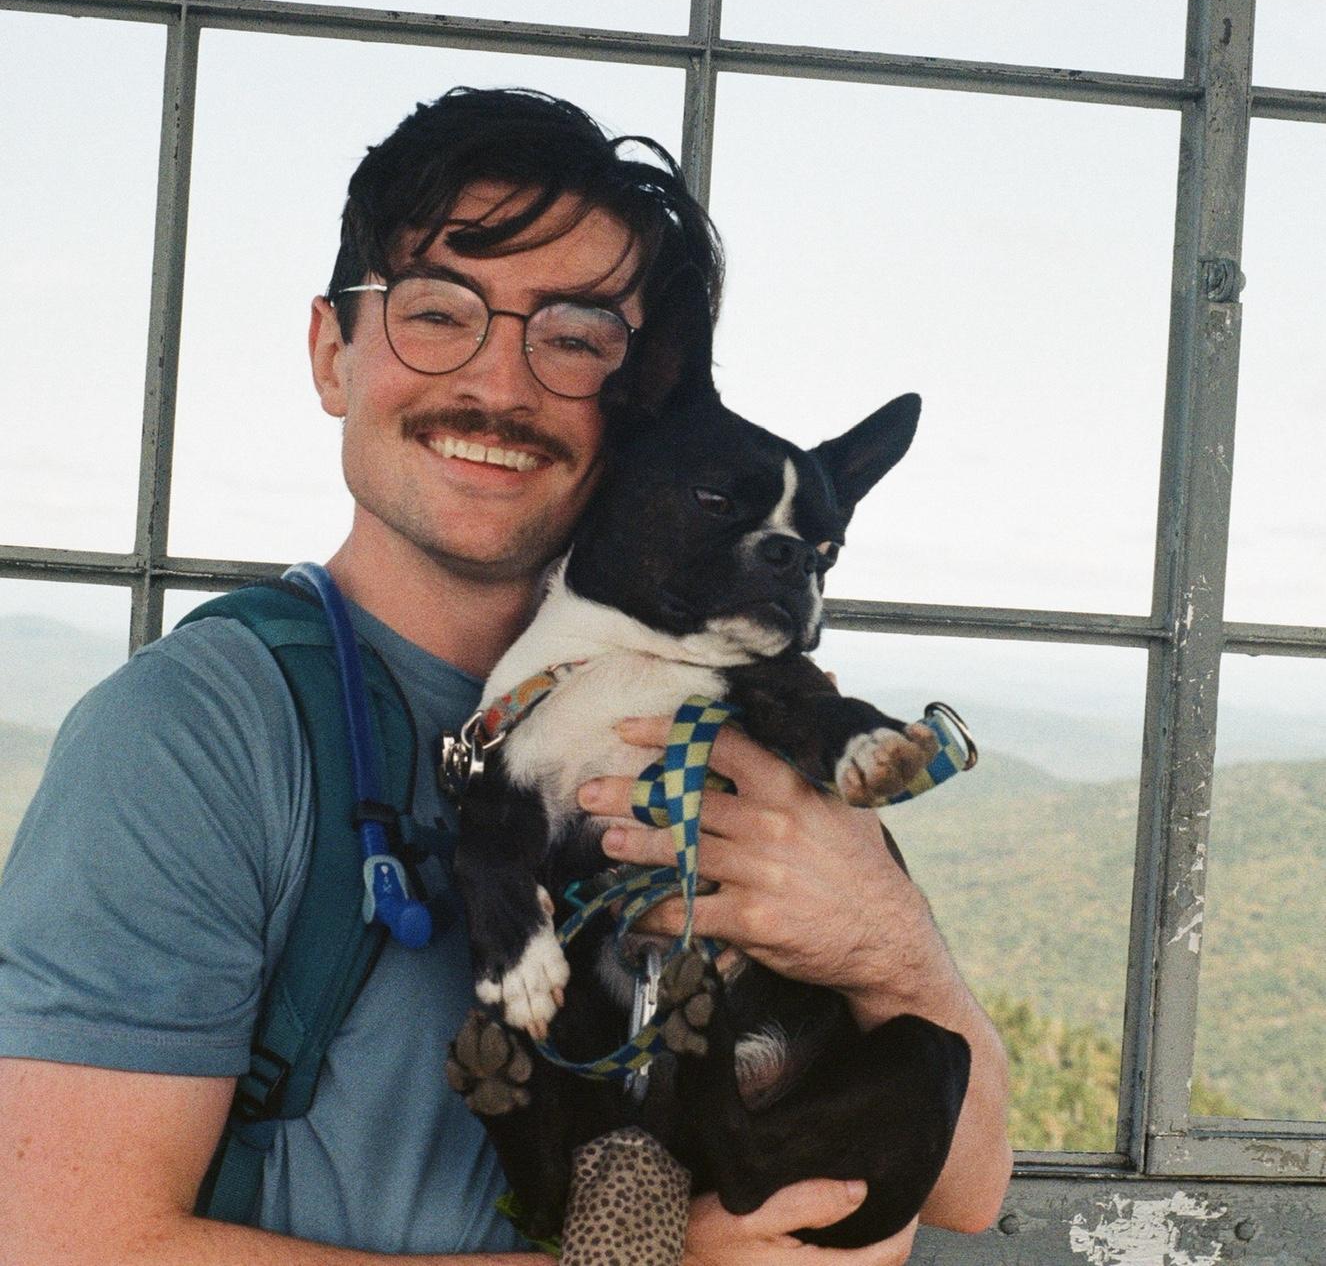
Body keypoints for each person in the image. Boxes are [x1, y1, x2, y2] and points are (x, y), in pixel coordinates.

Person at [0, 87, 1011, 1264]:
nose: (502, 384)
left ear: (639, 403)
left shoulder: (730, 718)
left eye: (573, 339)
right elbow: (62, 1241)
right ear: (332, 353)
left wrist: (884, 941)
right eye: (437, 312)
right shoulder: (198, 735)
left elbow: (970, 1184)